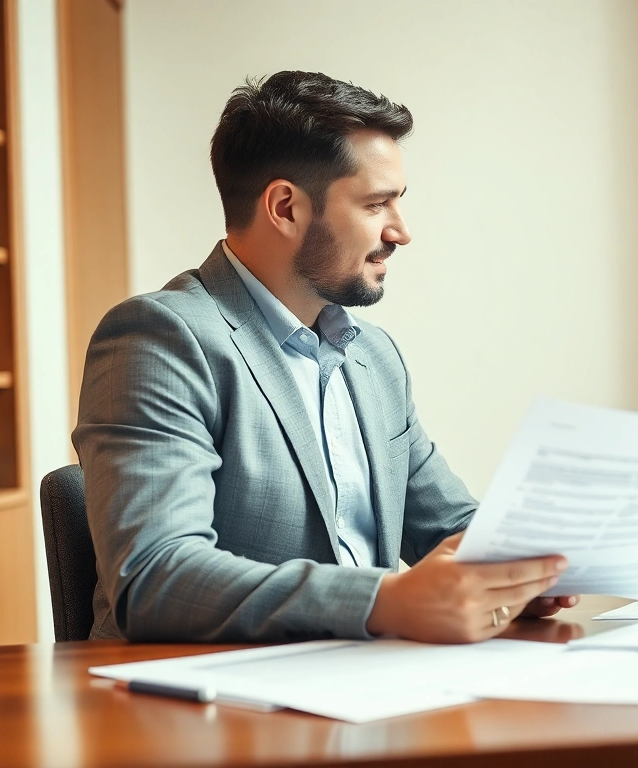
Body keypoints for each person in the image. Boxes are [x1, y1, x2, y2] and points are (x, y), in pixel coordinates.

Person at [75, 71, 575, 643]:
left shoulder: (373, 357)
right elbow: (155, 577)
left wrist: (537, 564)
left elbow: (449, 526)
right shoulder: (161, 338)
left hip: (369, 687)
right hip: (207, 708)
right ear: (286, 208)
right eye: (376, 204)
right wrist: (381, 602)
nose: (401, 232)